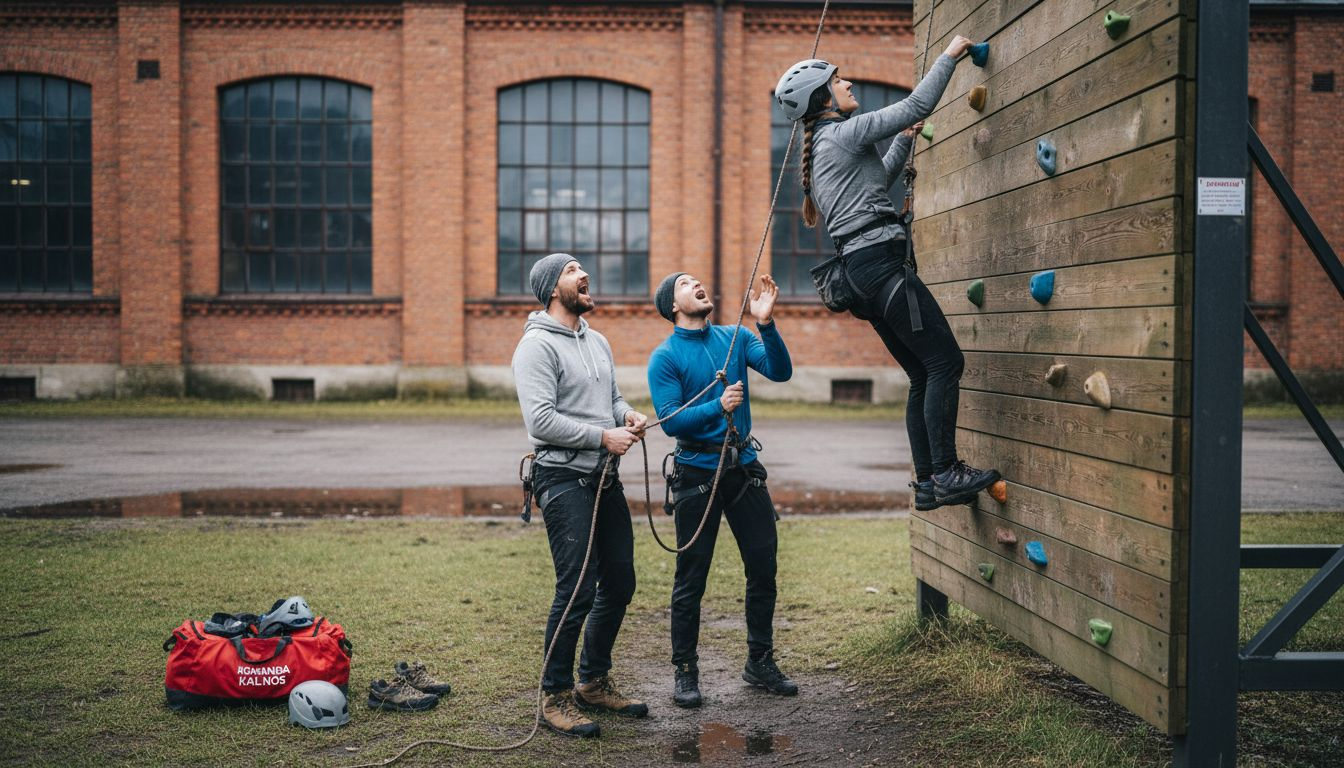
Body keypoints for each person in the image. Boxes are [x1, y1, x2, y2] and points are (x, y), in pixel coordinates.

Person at [772, 35, 1001, 512]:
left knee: (922, 373)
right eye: (838, 79)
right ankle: (946, 472)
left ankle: (928, 482)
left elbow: (876, 184)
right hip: (881, 266)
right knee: (945, 363)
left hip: (864, 275)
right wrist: (951, 53)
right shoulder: (844, 133)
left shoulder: (830, 145)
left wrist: (902, 141)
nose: (849, 82)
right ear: (822, 97)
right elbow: (919, 100)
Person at [511, 252, 650, 738]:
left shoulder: (599, 341)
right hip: (562, 480)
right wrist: (601, 437)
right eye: (572, 270)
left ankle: (592, 681)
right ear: (553, 288)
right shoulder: (534, 348)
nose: (583, 273)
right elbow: (540, 421)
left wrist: (627, 415)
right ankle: (554, 695)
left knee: (621, 582)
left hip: (605, 480)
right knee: (576, 589)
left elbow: (610, 401)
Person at [647, 271, 795, 709]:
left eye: (697, 280)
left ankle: (759, 662)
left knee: (763, 565)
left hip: (744, 469)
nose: (697, 284)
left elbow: (781, 372)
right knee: (692, 576)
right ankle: (686, 672)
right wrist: (719, 405)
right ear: (672, 305)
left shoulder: (736, 337)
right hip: (696, 474)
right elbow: (671, 421)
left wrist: (765, 324)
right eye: (684, 283)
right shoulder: (665, 357)